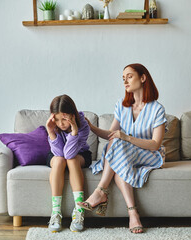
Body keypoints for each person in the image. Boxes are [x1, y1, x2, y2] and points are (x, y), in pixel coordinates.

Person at [78, 63, 167, 234]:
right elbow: (112, 135)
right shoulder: (122, 105)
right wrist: (91, 128)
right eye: (123, 78)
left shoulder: (157, 109)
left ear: (143, 78)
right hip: (124, 154)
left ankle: (100, 191)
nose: (125, 81)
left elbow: (155, 144)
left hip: (150, 154)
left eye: (130, 76)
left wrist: (126, 137)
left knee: (117, 144)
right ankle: (133, 213)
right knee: (118, 159)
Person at [46, 94, 92, 233]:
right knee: (60, 160)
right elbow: (60, 154)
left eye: (64, 119)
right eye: (57, 119)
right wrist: (50, 131)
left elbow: (70, 154)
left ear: (72, 114)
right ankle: (55, 213)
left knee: (71, 159)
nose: (61, 124)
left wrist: (74, 131)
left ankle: (79, 210)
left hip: (79, 154)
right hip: (57, 154)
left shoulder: (83, 124)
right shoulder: (54, 126)